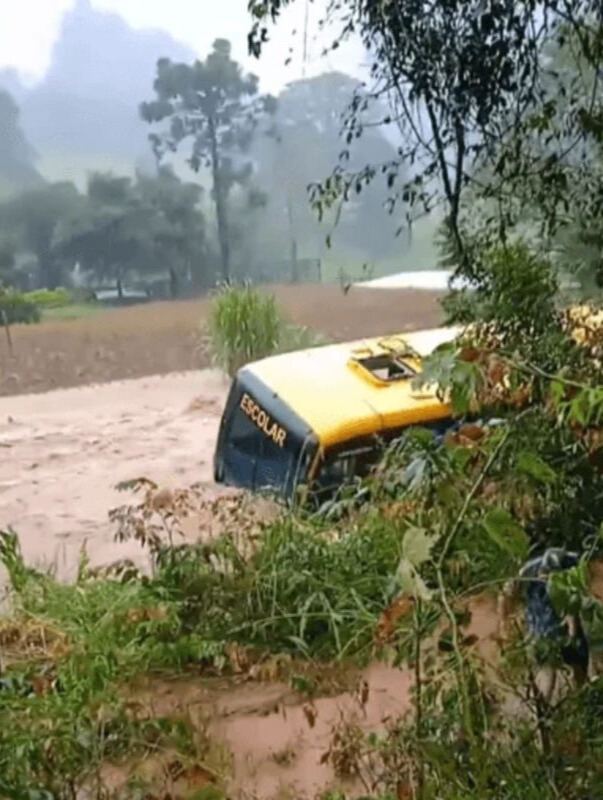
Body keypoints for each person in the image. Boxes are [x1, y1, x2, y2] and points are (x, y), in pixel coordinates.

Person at [498, 547, 590, 702]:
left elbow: (577, 597)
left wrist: (573, 629)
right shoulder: (528, 570)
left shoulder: (574, 565)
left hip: (564, 611)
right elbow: (506, 594)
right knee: (547, 668)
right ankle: (542, 707)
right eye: (546, 574)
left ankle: (579, 700)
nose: (548, 577)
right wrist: (504, 619)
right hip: (541, 619)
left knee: (578, 660)